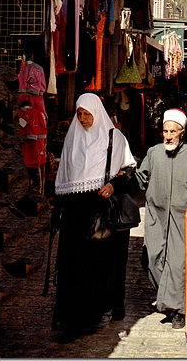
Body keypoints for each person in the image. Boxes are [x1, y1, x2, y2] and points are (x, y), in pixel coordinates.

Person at [51, 93, 136, 342]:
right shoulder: (72, 139)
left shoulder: (114, 137)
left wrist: (113, 185)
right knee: (72, 264)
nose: (83, 118)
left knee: (97, 264)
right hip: (74, 212)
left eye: (87, 113)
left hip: (101, 209)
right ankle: (70, 319)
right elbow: (65, 176)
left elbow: (129, 169)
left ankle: (91, 316)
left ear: (97, 113)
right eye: (79, 113)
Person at [135, 108, 187, 329]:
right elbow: (141, 177)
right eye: (165, 131)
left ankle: (180, 309)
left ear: (182, 133)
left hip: (184, 219)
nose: (168, 136)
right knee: (151, 259)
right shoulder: (153, 153)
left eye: (173, 132)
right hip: (156, 217)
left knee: (180, 265)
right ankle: (170, 298)